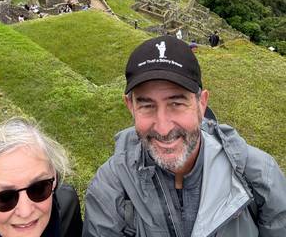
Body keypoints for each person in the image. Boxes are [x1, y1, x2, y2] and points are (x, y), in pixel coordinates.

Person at [83, 35, 286, 236]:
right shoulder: (108, 190)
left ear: (202, 103)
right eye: (146, 105)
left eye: (177, 104)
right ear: (131, 107)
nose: (163, 129)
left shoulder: (261, 176)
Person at [0, 117, 82, 237]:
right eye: (5, 197)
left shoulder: (67, 205)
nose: (25, 212)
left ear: (53, 178)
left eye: (39, 188)